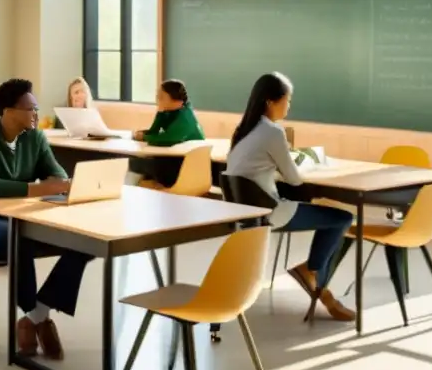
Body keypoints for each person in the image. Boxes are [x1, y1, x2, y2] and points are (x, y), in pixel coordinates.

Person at [0, 78, 92, 360]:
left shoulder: (36, 137)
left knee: (85, 243)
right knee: (18, 237)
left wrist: (56, 184)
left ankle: (33, 317)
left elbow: (57, 175)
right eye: (30, 108)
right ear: (8, 111)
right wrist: (40, 189)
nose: (35, 113)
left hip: (24, 218)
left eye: (36, 108)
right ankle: (39, 321)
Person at [225, 72, 355, 322]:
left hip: (246, 213)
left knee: (324, 212)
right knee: (342, 218)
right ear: (270, 102)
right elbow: (295, 179)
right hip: (270, 211)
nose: (289, 106)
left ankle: (312, 273)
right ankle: (315, 274)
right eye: (287, 99)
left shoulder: (242, 131)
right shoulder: (273, 132)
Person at [128, 79, 205, 187]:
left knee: (133, 163)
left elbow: (168, 139)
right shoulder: (171, 111)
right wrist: (160, 112)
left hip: (184, 167)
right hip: (173, 160)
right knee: (136, 162)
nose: (157, 99)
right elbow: (154, 131)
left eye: (161, 96)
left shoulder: (185, 117)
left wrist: (145, 137)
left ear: (174, 99)